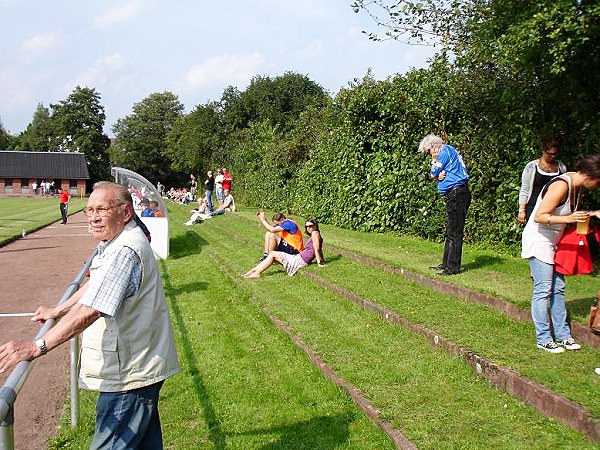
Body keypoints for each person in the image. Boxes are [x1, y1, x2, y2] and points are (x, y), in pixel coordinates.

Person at [0, 181, 179, 448]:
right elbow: (97, 285)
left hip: (129, 376)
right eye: (89, 210)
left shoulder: (124, 250)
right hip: (139, 369)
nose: (94, 217)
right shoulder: (120, 240)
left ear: (126, 212)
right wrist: (59, 310)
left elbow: (91, 309)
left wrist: (36, 346)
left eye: (102, 209)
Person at [521, 154, 600, 353]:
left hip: (555, 241)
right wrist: (571, 218)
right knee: (543, 290)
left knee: (558, 289)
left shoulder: (577, 186)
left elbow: (569, 215)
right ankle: (544, 338)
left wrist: (592, 214)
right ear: (590, 176)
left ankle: (563, 336)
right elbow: (540, 216)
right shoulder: (561, 185)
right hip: (539, 240)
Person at [419, 133, 471, 276]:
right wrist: (437, 175)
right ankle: (446, 263)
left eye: (429, 152)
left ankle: (453, 267)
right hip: (453, 194)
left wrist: (435, 165)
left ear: (433, 147)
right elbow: (435, 174)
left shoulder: (445, 151)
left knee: (455, 232)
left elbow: (433, 172)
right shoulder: (448, 153)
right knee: (450, 231)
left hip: (457, 194)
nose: (430, 156)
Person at [244, 218, 325, 278]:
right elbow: (318, 249)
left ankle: (256, 272)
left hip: (299, 260)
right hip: (299, 258)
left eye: (310, 226)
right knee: (272, 256)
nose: (308, 228)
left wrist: (319, 263)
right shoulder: (316, 234)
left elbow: (317, 249)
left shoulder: (315, 233)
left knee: (272, 254)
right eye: (306, 226)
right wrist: (322, 260)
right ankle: (253, 271)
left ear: (315, 226)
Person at [518, 137, 567, 224]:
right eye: (549, 154)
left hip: (554, 209)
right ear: (543, 151)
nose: (553, 156)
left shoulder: (561, 167)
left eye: (555, 154)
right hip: (533, 208)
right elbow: (525, 189)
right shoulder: (531, 167)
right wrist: (522, 210)